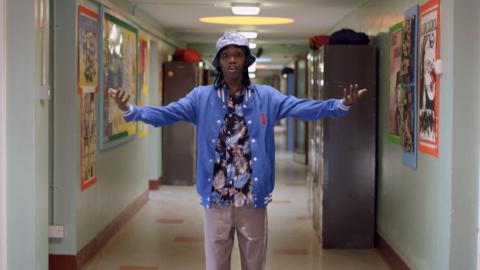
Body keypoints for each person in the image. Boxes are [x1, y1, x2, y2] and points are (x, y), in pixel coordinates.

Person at [108, 32, 366, 270]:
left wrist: (339, 105)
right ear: (218, 62)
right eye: (226, 55)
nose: (232, 60)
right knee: (216, 263)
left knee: (254, 263)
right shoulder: (201, 97)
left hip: (252, 198)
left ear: (246, 61)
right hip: (215, 198)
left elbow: (302, 107)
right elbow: (167, 113)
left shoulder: (267, 97)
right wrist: (132, 111)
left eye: (238, 54)